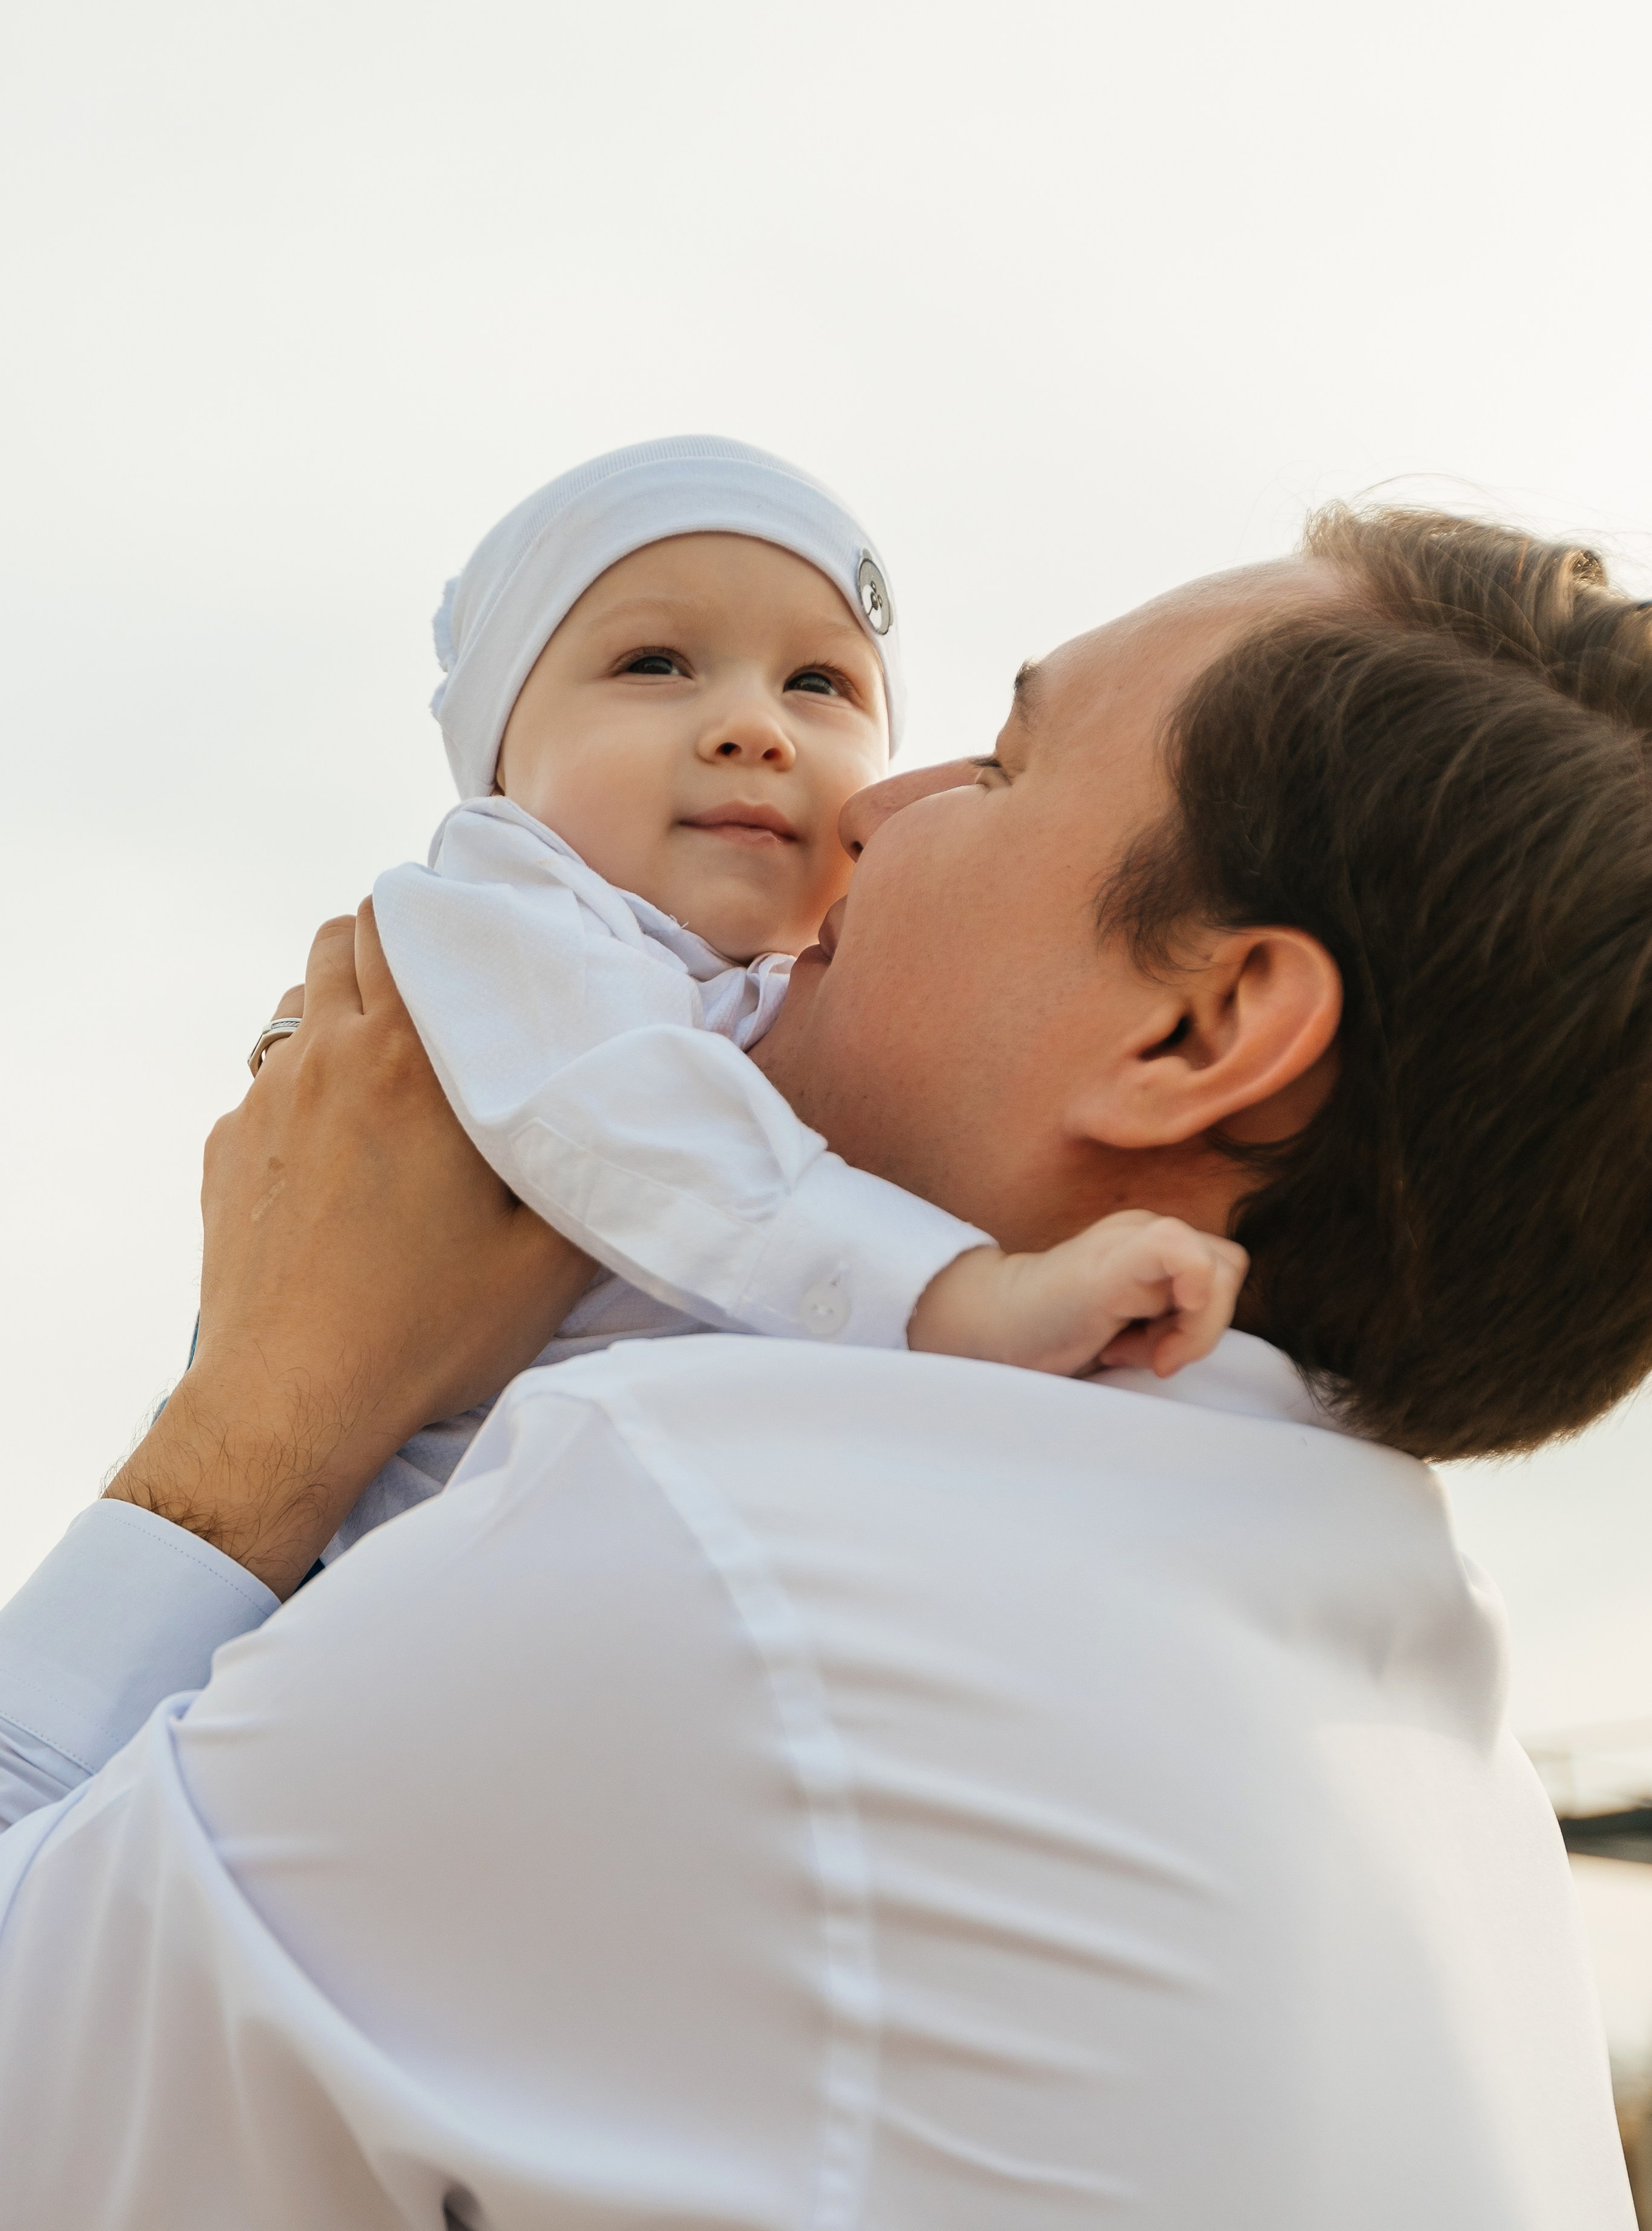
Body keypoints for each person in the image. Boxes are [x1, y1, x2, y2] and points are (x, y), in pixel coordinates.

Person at [0, 505, 1642, 2226]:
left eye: (1003, 768)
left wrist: (253, 1427)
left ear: (1200, 1031)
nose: (863, 804)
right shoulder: (1434, 1740)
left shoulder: (717, 1557)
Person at [328, 434, 1243, 1555]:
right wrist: (961, 1298)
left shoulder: (807, 993)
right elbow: (631, 1122)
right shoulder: (502, 910)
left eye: (818, 684)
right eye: (656, 664)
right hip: (409, 1546)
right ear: (504, 756)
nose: (753, 729)